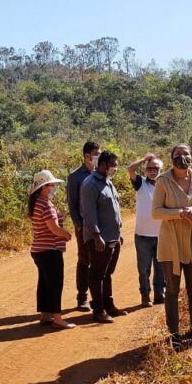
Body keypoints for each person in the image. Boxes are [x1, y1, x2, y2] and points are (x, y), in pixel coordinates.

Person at [152, 144, 192, 349]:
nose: (182, 157)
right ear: (171, 158)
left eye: (186, 154)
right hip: (170, 244)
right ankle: (174, 336)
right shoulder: (163, 180)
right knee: (171, 290)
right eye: (178, 154)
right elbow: (156, 212)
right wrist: (181, 213)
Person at [79, 150, 127, 323]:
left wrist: (118, 233)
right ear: (104, 165)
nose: (115, 168)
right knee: (97, 274)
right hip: (100, 239)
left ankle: (109, 305)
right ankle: (98, 310)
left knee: (108, 274)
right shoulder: (90, 184)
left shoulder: (108, 182)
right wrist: (97, 236)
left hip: (113, 237)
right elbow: (89, 214)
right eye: (113, 165)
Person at [27, 169, 76, 330]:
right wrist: (66, 234)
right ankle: (57, 318)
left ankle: (45, 315)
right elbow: (53, 228)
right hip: (49, 249)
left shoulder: (38, 202)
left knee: (45, 283)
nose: (54, 187)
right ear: (43, 187)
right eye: (51, 185)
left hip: (39, 249)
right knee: (55, 283)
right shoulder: (45, 204)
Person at [66, 140, 101, 311]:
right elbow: (71, 203)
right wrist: (78, 224)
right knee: (84, 260)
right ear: (87, 156)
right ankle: (82, 297)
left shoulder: (101, 174)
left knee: (100, 260)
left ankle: (98, 297)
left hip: (101, 226)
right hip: (83, 227)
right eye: (96, 154)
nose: (98, 157)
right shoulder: (75, 176)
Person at [127, 152, 166, 307]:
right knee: (144, 269)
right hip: (142, 235)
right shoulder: (140, 183)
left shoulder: (165, 185)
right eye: (149, 168)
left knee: (160, 267)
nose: (152, 171)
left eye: (155, 168)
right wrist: (144, 159)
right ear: (145, 170)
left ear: (160, 170)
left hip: (162, 234)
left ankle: (159, 294)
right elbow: (130, 169)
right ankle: (145, 296)